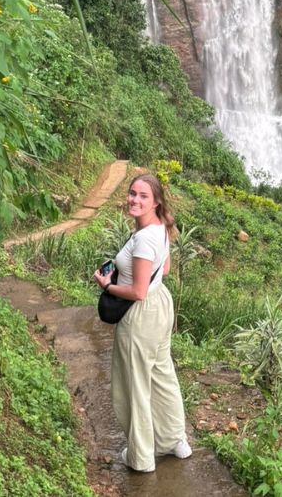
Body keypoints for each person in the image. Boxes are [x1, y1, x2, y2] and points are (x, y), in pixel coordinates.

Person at [93, 173, 192, 472]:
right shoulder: (160, 228)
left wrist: (107, 286)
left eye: (143, 196)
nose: (134, 199)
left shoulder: (145, 238)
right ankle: (177, 441)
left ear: (156, 201)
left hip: (141, 316)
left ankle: (142, 458)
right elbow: (165, 270)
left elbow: (136, 292)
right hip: (161, 304)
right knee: (162, 376)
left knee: (135, 385)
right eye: (132, 193)